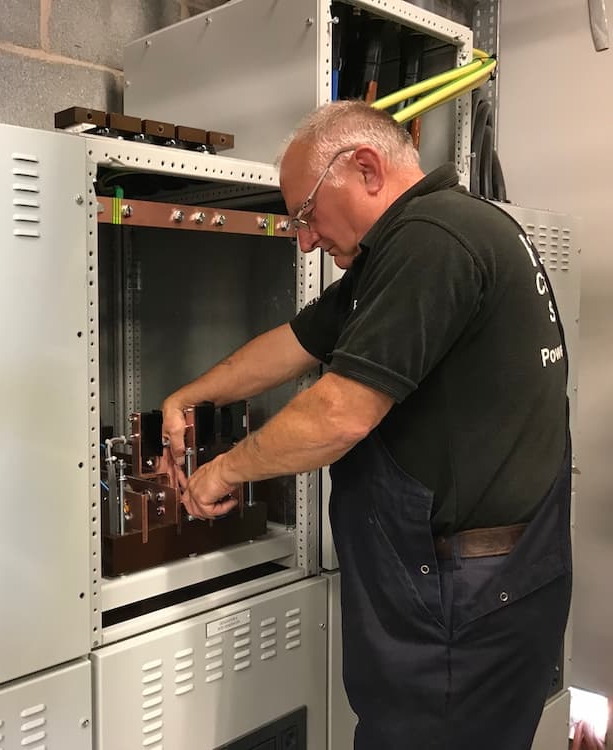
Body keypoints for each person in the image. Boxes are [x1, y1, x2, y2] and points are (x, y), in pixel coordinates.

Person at [159, 100, 572, 750]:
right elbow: (296, 343)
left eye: (305, 214)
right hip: (478, 592)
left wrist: (221, 470)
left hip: (462, 614)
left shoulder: (432, 240)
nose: (304, 239)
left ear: (366, 168)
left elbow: (338, 414)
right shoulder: (416, 244)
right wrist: (188, 398)